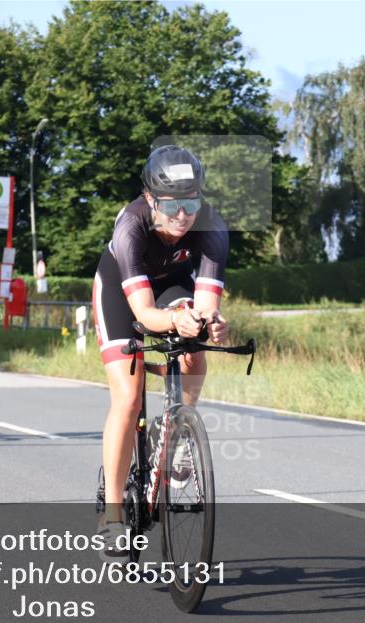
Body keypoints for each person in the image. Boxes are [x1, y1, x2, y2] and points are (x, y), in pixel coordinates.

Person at [92, 145, 229, 559]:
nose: (182, 215)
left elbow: (205, 302)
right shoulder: (130, 227)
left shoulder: (212, 228)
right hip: (123, 293)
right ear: (151, 199)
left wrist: (211, 321)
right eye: (172, 205)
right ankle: (113, 517)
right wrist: (173, 321)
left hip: (171, 284)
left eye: (191, 202)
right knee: (130, 398)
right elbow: (145, 314)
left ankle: (181, 432)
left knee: (195, 344)